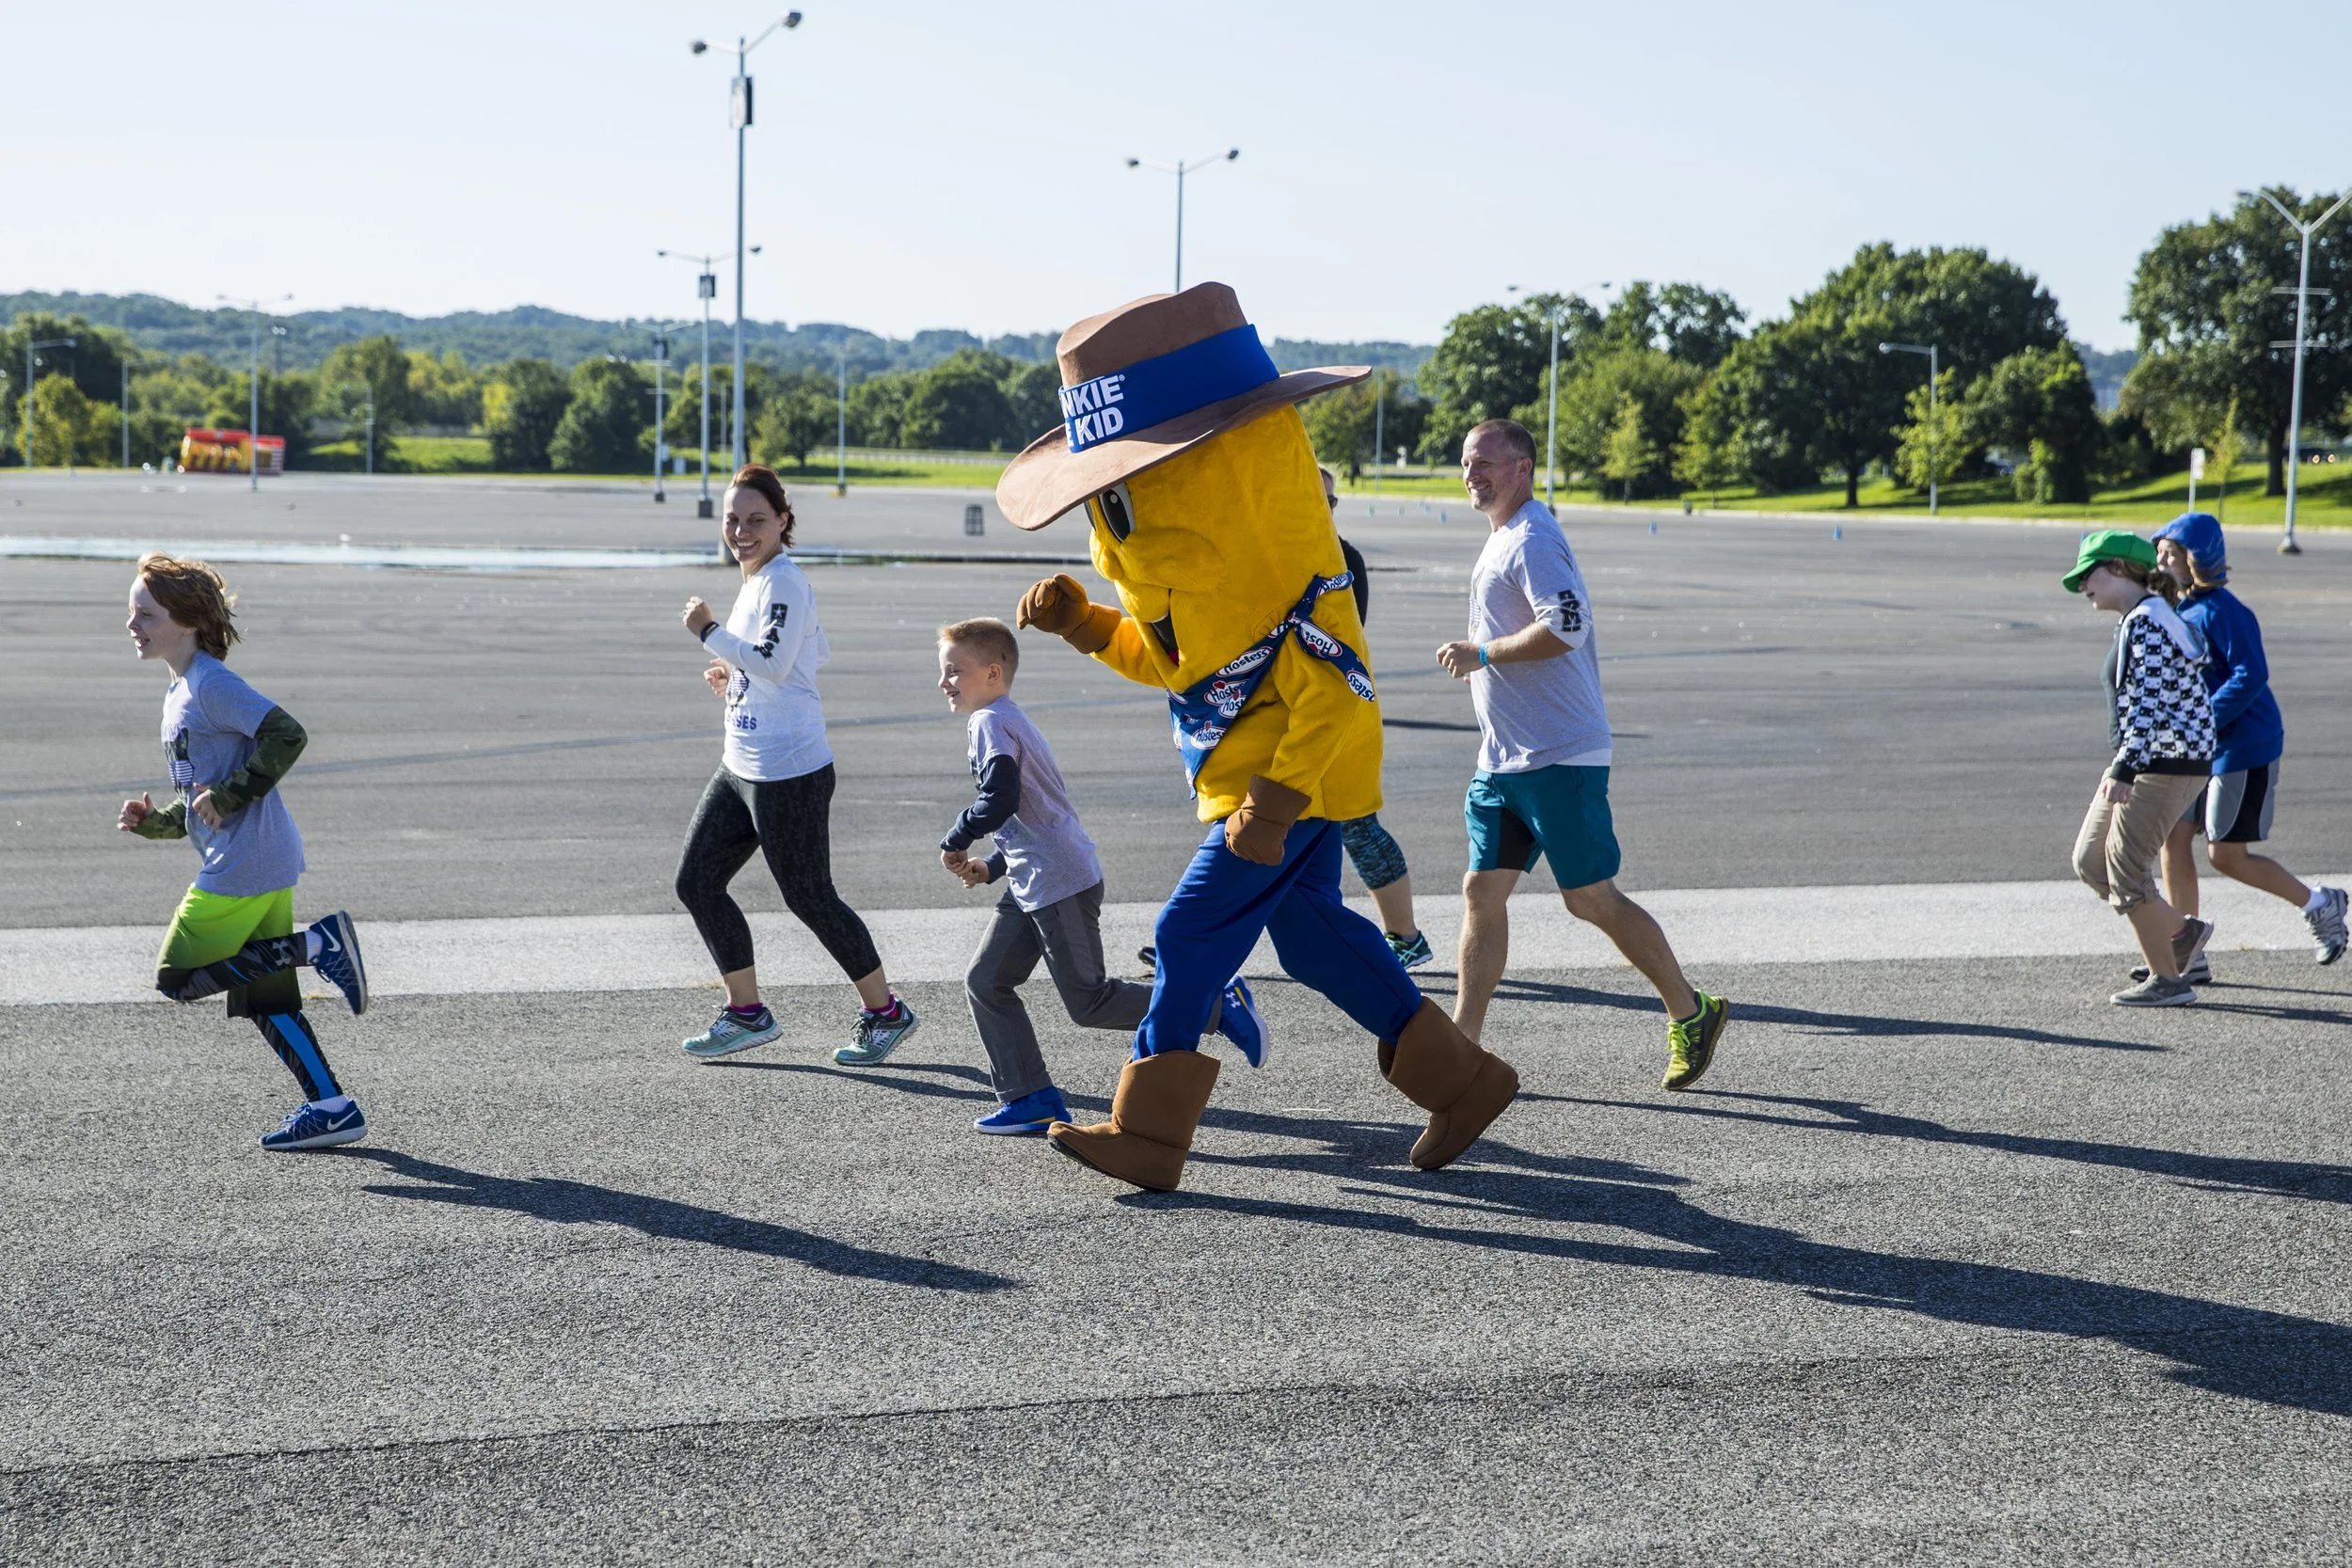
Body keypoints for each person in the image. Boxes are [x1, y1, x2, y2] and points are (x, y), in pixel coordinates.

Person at [1002, 282, 1518, 1192]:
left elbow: (1332, 700)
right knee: (1314, 941)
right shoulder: (1215, 596)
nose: (1114, 524)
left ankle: (1150, 1133)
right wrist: (1085, 622)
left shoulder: (1296, 590)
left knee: (1188, 929)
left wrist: (1274, 808)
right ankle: (1466, 1083)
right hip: (1269, 786)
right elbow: (1176, 665)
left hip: (1289, 784)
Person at [1438, 420, 1728, 1089]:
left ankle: (1691, 1012)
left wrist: (1480, 653)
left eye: (1484, 462)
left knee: (1590, 899)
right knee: (1481, 891)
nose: (1471, 473)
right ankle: (1461, 1047)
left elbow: (1565, 628)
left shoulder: (1534, 538)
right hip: (1503, 760)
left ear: (1523, 468)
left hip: (1559, 755)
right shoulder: (1503, 538)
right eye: (1465, 462)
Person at [937, 618, 1257, 1133]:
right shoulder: (1003, 718)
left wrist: (956, 838)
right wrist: (992, 866)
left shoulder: (990, 722)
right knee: (986, 981)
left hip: (1058, 882)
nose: (945, 681)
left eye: (955, 671)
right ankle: (1031, 1097)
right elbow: (1033, 813)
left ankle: (1215, 1004)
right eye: (943, 672)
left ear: (993, 673)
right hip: (1033, 879)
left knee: (1089, 1001)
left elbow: (1000, 797)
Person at [116, 554, 372, 1151]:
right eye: (131, 613)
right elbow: (197, 799)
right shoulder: (180, 690)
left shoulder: (211, 684)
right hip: (258, 857)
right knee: (267, 999)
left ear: (185, 620)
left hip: (245, 864)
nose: (132, 624)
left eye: (145, 614)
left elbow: (288, 733)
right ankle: (333, 1108)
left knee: (176, 979)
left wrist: (231, 796)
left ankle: (319, 944)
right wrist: (156, 823)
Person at [1137, 466, 1433, 973]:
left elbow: (1328, 647)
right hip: (1278, 723)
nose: (1326, 509)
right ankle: (1211, 947)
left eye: (1333, 502)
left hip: (1322, 722)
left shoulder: (1343, 560)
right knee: (1265, 843)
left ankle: (1405, 937)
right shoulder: (1267, 557)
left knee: (1352, 830)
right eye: (1318, 498)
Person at [674, 464, 918, 1065]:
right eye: (733, 520)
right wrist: (730, 675)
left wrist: (708, 632)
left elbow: (777, 663)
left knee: (809, 895)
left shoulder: (784, 580)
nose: (741, 531)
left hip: (788, 769)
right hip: (740, 765)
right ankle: (746, 1013)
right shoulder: (755, 579)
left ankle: (886, 1012)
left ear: (784, 522)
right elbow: (777, 663)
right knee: (697, 882)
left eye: (756, 520)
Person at [2142, 513, 2346, 976]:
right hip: (2199, 747)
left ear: (2199, 559)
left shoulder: (2226, 612)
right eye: (2161, 554)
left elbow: (2250, 675)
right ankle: (2186, 952)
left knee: (2225, 856)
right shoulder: (2178, 608)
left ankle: (2321, 905)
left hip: (2243, 746)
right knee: (2174, 839)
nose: (2163, 561)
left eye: (2172, 554)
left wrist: (2203, 719)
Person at [2063, 530, 2217, 1006]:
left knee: (2126, 869)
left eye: (2087, 576)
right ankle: (2181, 937)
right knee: (2092, 861)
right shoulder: (2141, 617)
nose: (2081, 587)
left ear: (2118, 569)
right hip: (2144, 756)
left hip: (2162, 761)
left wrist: (2126, 768)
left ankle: (2169, 981)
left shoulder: (2149, 621)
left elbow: (2149, 704)